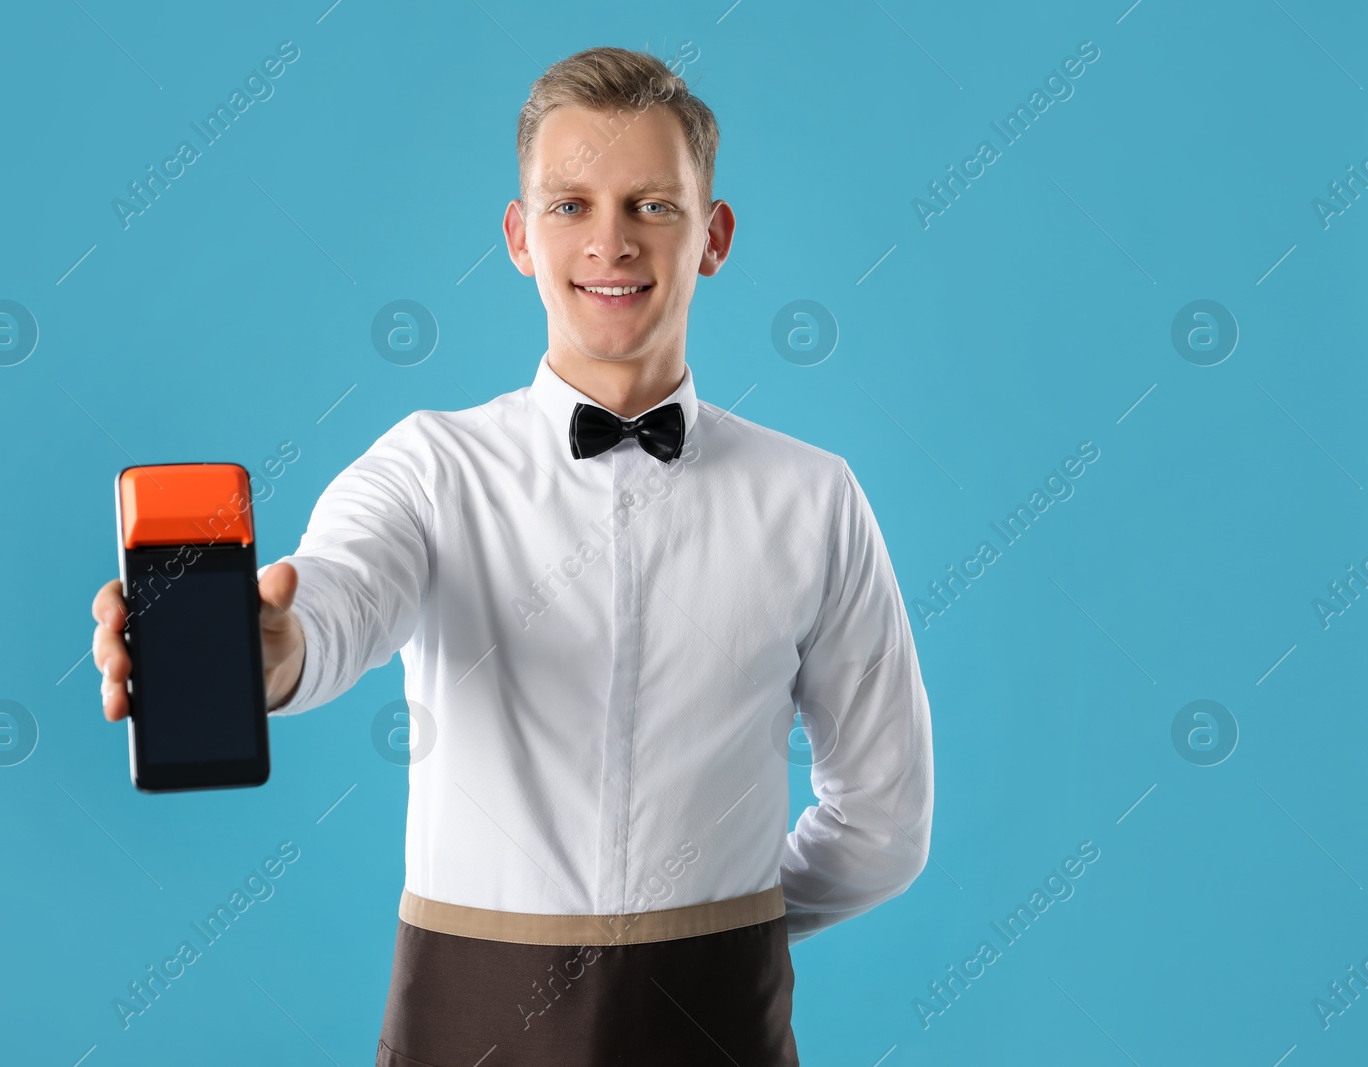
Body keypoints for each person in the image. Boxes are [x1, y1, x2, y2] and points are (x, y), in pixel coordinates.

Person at [91, 44, 933, 1066]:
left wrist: (729, 920)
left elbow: (884, 820)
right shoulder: (428, 466)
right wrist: (273, 646)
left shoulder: (816, 496)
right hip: (468, 1020)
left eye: (651, 206)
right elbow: (343, 594)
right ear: (518, 235)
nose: (610, 242)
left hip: (720, 1023)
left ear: (712, 236)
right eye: (570, 204)